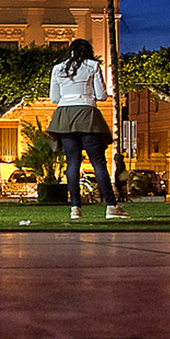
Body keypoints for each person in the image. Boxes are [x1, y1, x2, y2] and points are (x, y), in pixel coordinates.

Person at [45, 39, 131, 220]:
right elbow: (101, 95)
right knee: (98, 163)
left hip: (65, 115)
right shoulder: (93, 65)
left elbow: (54, 98)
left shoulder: (58, 68)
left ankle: (75, 208)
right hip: (87, 113)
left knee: (72, 163)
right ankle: (111, 206)